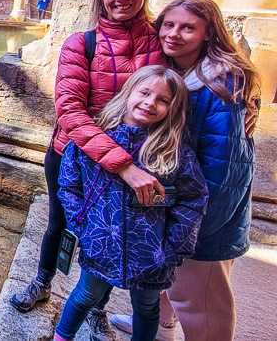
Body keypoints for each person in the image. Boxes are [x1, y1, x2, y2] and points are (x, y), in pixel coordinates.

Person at [10, 0, 167, 341]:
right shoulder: (82, 44)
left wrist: (244, 98)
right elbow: (69, 111)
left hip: (137, 158)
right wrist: (122, 164)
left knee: (114, 235)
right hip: (73, 155)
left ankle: (97, 308)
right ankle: (42, 282)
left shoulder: (162, 45)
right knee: (57, 222)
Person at [110, 0, 261, 341]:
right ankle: (162, 328)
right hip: (183, 203)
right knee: (171, 282)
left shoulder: (221, 84)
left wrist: (196, 225)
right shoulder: (183, 73)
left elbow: (226, 167)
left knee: (203, 301)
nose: (174, 34)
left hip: (208, 216)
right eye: (168, 25)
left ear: (209, 34)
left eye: (188, 27)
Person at [55, 66, 209, 341]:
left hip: (152, 252)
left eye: (163, 100)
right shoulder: (96, 137)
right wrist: (80, 222)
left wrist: (173, 248)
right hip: (100, 241)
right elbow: (69, 181)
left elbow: (193, 199)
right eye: (145, 92)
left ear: (173, 109)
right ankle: (62, 337)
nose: (150, 102)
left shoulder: (173, 151)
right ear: (129, 92)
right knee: (85, 294)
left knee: (147, 308)